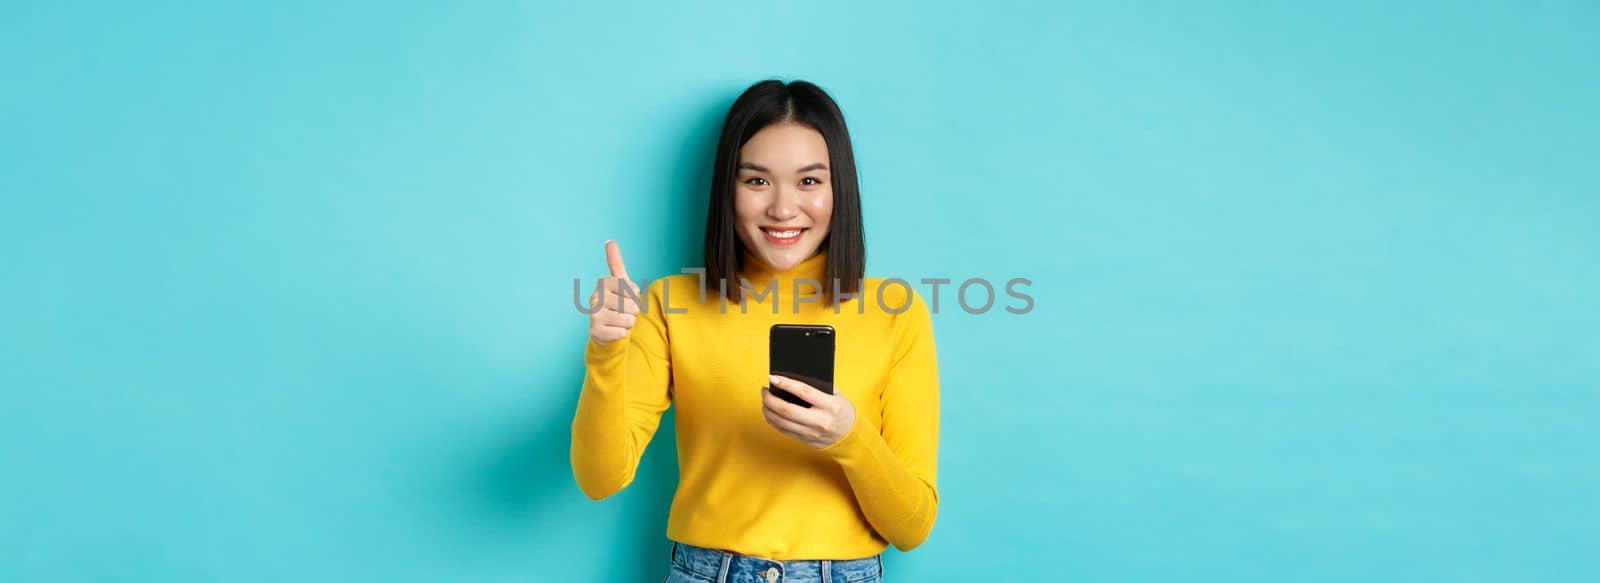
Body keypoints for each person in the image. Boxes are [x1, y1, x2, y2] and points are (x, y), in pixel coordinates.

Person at [573, 79, 940, 583]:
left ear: (840, 189)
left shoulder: (895, 311)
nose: (784, 209)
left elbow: (913, 526)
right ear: (729, 187)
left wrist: (849, 439)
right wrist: (607, 353)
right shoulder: (670, 304)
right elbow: (600, 478)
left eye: (809, 181)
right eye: (758, 181)